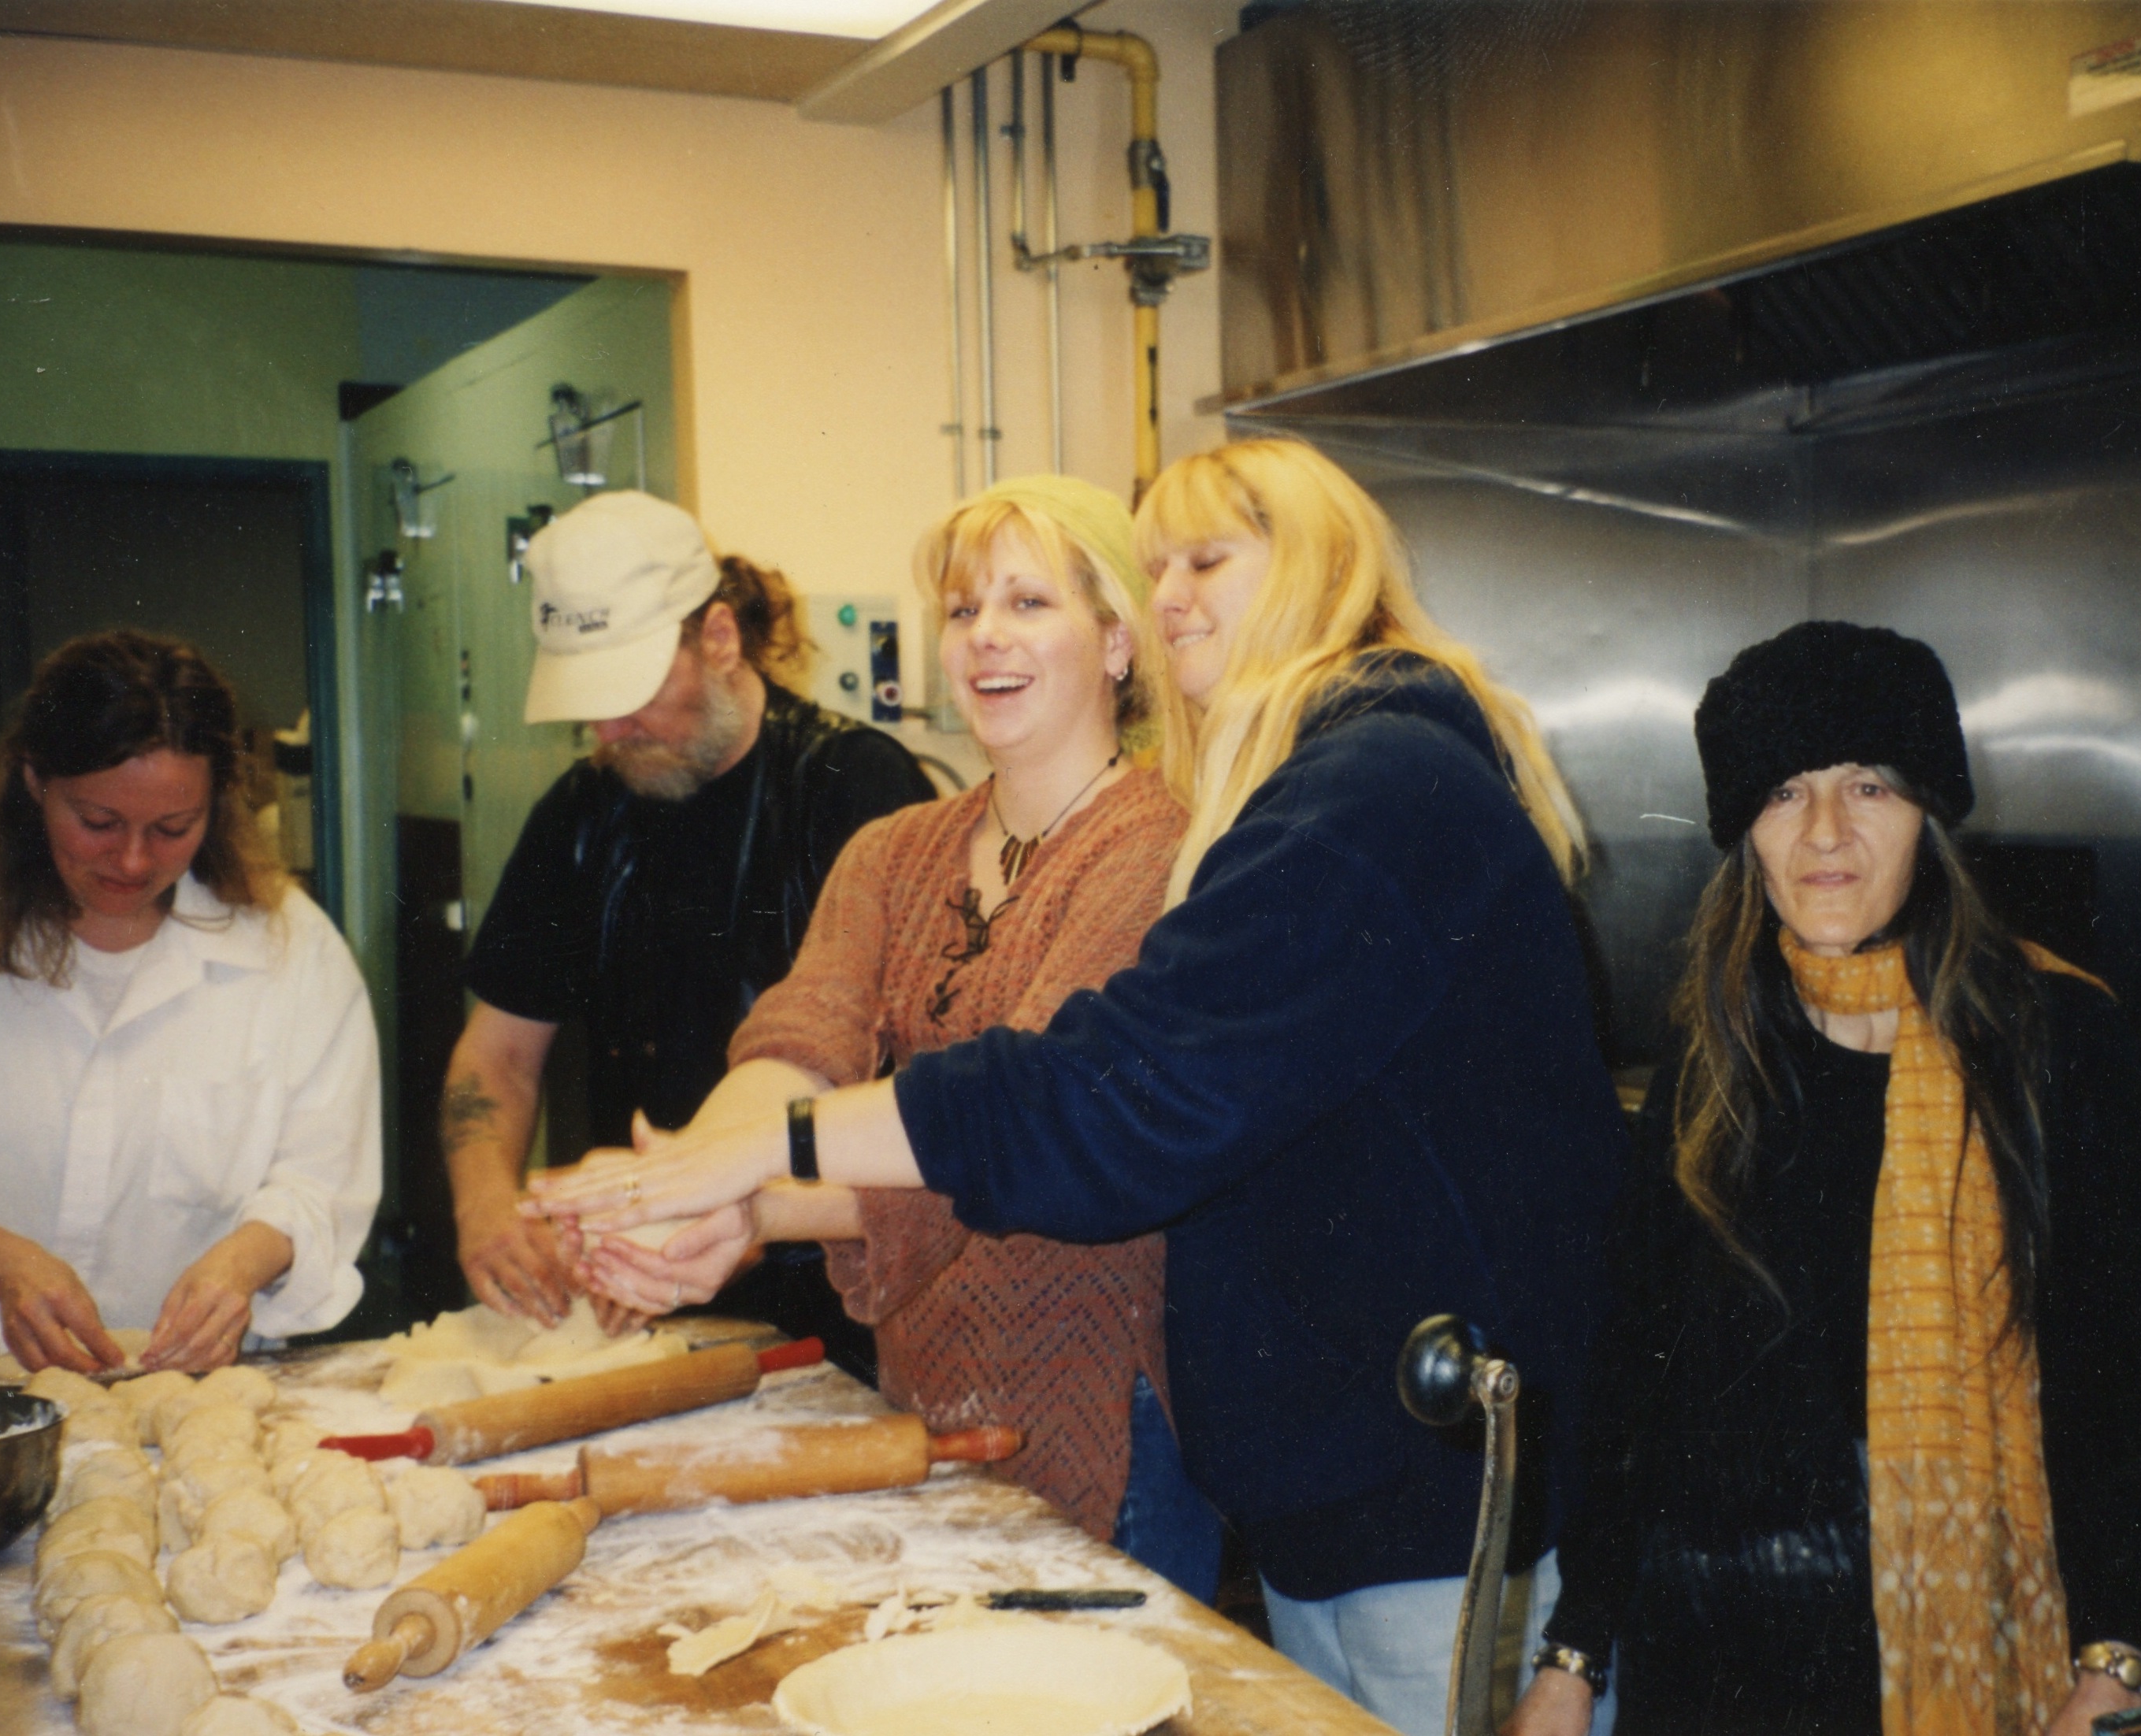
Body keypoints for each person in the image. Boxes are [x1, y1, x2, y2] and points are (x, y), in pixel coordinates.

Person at [531, 437, 1627, 1734]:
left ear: (1318, 569)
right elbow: (811, 1027)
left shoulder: (1354, 795)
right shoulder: (1300, 789)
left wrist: (760, 1169)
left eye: (1204, 559)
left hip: (1416, 1494)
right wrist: (709, 1179)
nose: (1169, 594)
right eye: (1153, 561)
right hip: (1335, 1490)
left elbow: (1104, 1102)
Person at [1508, 622, 2141, 1736]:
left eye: (1868, 787)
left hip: (1961, 1666)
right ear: (1742, 825)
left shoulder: (2053, 1041)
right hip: (1708, 1664)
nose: (1827, 834)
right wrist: (1572, 1652)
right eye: (1785, 791)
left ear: (1929, 812)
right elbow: (1632, 1376)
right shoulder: (1716, 1052)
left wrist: (2123, 1655)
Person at [579, 474, 1218, 1597]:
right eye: (964, 609)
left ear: (1118, 640)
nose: (984, 639)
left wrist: (753, 1198)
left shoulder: (1159, 848)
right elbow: (791, 1046)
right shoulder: (894, 850)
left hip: (1106, 1403)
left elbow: (1006, 1138)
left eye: (1028, 603)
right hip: (921, 1378)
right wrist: (679, 1187)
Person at [441, 491, 932, 1348]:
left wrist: (746, 1216)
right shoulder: (582, 814)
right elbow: (497, 1056)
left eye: (630, 692)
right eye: (586, 703)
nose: (608, 726)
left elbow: (916, 1086)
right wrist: (485, 1204)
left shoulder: (853, 789)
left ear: (718, 637)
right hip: (644, 1284)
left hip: (836, 1289)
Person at [0, 630, 380, 1371]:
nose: (133, 860)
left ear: (219, 804)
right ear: (34, 778)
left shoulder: (293, 952)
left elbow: (322, 1178)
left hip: (200, 1387)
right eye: (97, 823)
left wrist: (241, 1265)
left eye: (173, 828)